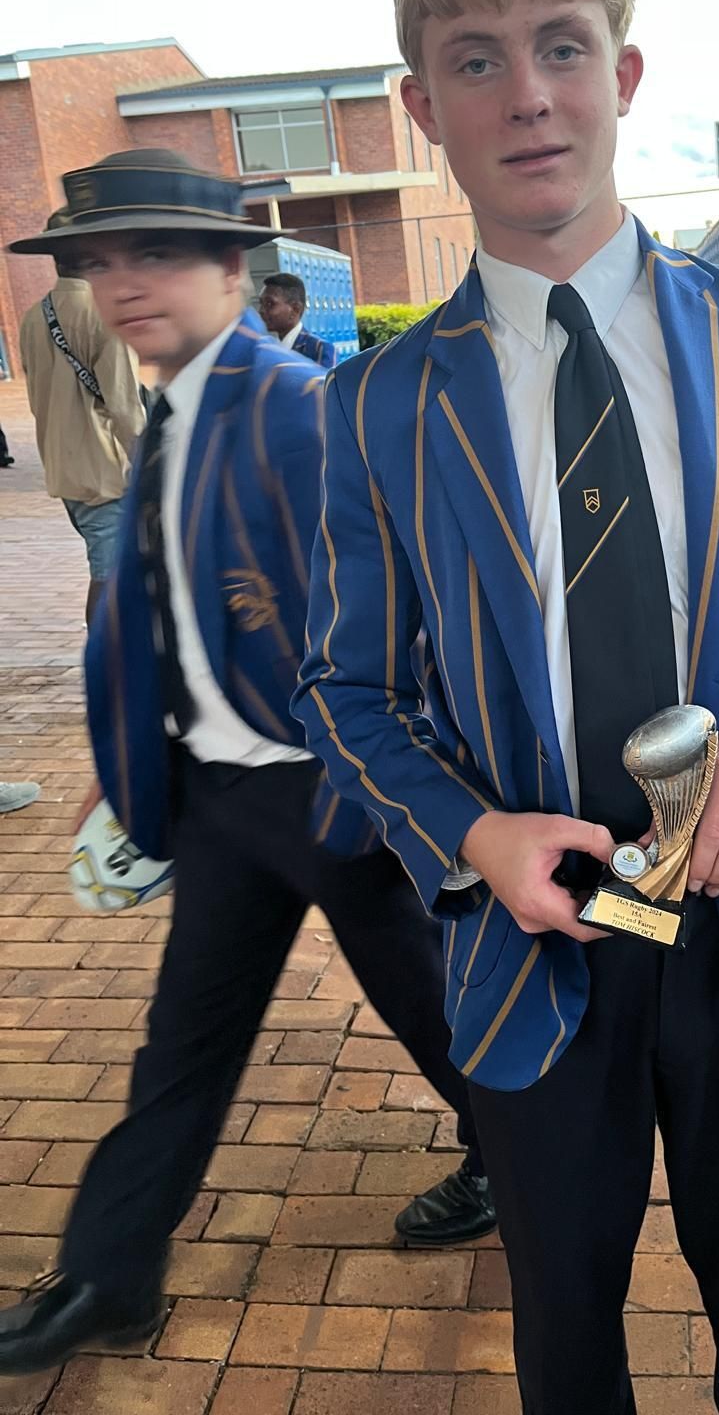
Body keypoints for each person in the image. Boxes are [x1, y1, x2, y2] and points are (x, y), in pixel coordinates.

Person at [293, 0, 719, 1415]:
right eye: (475, 59)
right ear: (422, 106)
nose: (528, 94)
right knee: (564, 1334)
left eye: (562, 46)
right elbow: (349, 691)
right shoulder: (378, 408)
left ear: (624, 74)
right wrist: (473, 835)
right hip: (536, 936)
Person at [0, 148, 494, 1380]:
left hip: (327, 791)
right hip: (221, 799)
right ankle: (112, 1275)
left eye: (156, 253)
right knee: (184, 1040)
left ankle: (522, 1157)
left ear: (233, 268)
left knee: (434, 1006)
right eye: (97, 262)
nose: (122, 282)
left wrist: (378, 785)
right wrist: (138, 749)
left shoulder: (291, 407)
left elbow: (404, 613)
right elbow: (162, 610)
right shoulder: (172, 409)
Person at [18, 218, 146, 623]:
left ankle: (115, 651)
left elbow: (38, 397)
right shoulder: (105, 316)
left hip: (64, 468)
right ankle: (104, 655)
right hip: (106, 473)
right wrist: (151, 467)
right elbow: (126, 409)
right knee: (109, 576)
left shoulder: (33, 317)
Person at [257, 272, 336, 368]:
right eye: (261, 303)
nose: (261, 310)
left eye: (269, 304)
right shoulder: (266, 349)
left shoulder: (319, 349)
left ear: (295, 309)